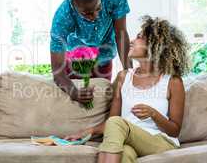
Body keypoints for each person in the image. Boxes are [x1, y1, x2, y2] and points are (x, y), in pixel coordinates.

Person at [65, 15, 190, 163]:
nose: (131, 41)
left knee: (117, 123)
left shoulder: (172, 81)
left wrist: (153, 114)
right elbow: (111, 122)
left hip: (161, 142)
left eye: (139, 37)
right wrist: (87, 132)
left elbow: (175, 130)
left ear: (154, 45)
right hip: (128, 140)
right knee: (124, 154)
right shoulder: (124, 77)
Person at [50, 0, 131, 105]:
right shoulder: (62, 18)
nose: (95, 16)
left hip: (104, 57)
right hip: (76, 62)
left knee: (102, 104)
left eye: (98, 8)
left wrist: (130, 72)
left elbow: (120, 34)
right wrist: (75, 93)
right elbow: (57, 72)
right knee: (77, 106)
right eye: (87, 13)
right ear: (73, 5)